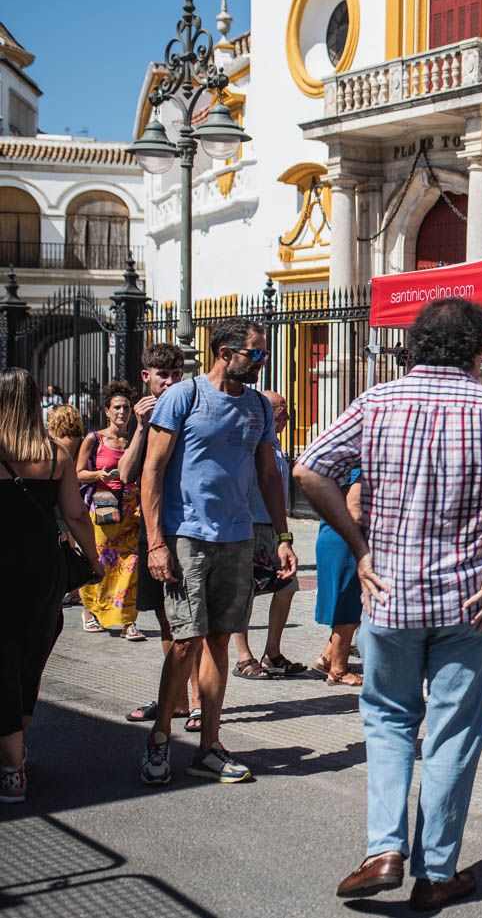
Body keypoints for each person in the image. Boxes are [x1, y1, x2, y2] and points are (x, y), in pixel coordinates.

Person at [295, 297, 482, 910]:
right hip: (473, 601)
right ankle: (437, 869)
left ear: (413, 347)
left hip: (391, 595)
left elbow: (310, 470)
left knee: (388, 719)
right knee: (453, 735)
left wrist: (359, 547)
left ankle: (384, 848)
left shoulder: (376, 403)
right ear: (477, 351)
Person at [139, 318, 298, 787]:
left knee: (221, 640)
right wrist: (155, 542)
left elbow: (268, 474)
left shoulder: (257, 407)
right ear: (225, 351)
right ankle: (161, 737)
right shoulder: (182, 397)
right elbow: (152, 470)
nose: (262, 362)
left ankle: (209, 745)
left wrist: (284, 536)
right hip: (186, 535)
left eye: (263, 354)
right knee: (186, 640)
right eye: (256, 354)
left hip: (238, 536)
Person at [0, 367, 102, 804]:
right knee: (30, 658)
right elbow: (77, 515)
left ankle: (11, 768)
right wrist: (95, 564)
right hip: (43, 571)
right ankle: (17, 750)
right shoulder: (57, 453)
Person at [120, 343, 200, 729]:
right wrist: (139, 427)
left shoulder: (189, 408)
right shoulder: (142, 416)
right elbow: (126, 473)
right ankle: (177, 701)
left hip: (185, 524)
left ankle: (200, 702)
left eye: (176, 375)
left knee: (193, 622)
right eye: (162, 375)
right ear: (145, 377)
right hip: (152, 527)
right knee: (167, 620)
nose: (169, 382)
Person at [230, 391, 304, 680]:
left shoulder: (275, 445)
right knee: (244, 591)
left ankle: (272, 652)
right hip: (250, 526)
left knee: (288, 585)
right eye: (281, 409)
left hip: (274, 528)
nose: (286, 415)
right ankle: (243, 656)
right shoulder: (251, 444)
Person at [76, 382, 146, 640]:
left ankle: (128, 621)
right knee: (103, 561)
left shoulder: (136, 438)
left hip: (132, 506)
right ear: (107, 411)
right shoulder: (94, 439)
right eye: (117, 407)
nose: (122, 412)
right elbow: (78, 473)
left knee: (132, 564)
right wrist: (99, 474)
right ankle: (90, 610)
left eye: (126, 407)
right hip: (105, 503)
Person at [314, 467, 364, 686]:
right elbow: (356, 510)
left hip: (334, 536)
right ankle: (339, 669)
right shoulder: (360, 469)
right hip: (347, 541)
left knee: (347, 602)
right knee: (349, 605)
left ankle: (327, 657)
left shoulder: (340, 465)